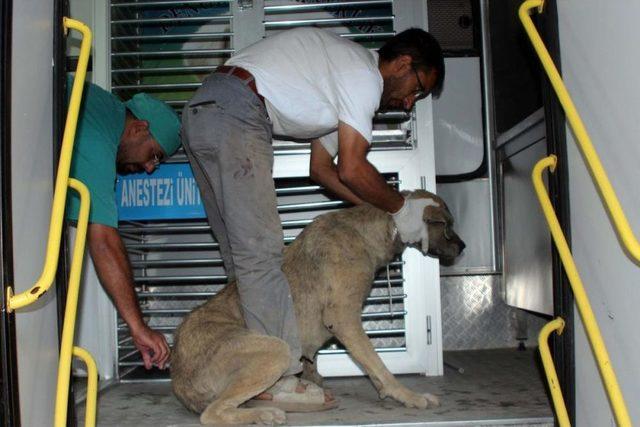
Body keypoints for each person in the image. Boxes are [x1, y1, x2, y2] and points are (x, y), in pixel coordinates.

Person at [181, 27, 444, 405]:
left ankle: (251, 371)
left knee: (243, 260)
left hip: (204, 110)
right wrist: (402, 209)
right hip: (236, 110)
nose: (408, 103)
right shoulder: (363, 78)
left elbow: (323, 170)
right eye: (416, 89)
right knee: (262, 254)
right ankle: (282, 378)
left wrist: (383, 215)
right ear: (403, 64)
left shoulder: (342, 85)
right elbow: (353, 169)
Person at [66, 76, 182, 370]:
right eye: (154, 155)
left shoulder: (97, 106)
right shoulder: (97, 137)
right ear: (139, 128)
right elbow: (103, 239)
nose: (149, 168)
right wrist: (138, 327)